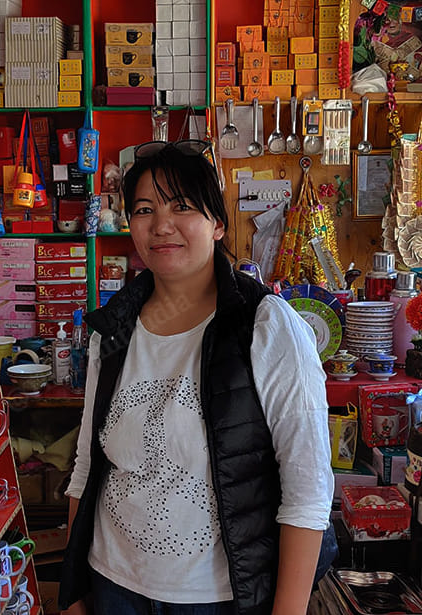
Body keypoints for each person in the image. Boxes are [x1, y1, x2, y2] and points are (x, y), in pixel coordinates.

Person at [60, 140, 334, 615]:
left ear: (218, 223)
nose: (161, 225)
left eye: (182, 206)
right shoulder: (114, 329)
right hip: (113, 586)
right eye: (144, 209)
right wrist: (73, 591)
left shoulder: (267, 326)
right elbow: (87, 468)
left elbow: (307, 490)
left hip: (216, 598)